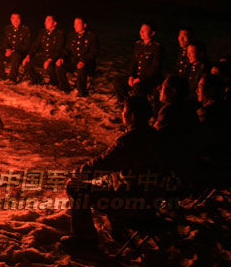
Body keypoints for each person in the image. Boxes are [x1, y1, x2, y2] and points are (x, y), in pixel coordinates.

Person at [63, 96, 163, 249]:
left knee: (74, 187)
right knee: (107, 182)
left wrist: (78, 173)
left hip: (131, 202)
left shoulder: (130, 141)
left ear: (132, 116)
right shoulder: (154, 136)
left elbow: (104, 163)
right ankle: (114, 229)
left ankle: (85, 239)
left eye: (124, 111)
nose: (122, 114)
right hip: (150, 199)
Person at [115, 23, 163, 103]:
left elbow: (155, 68)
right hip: (136, 77)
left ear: (152, 33)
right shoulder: (138, 45)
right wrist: (131, 76)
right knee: (117, 81)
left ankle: (140, 105)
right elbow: (133, 63)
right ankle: (126, 102)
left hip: (148, 79)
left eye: (144, 31)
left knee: (137, 87)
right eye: (141, 30)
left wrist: (140, 78)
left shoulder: (156, 48)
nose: (141, 32)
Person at [24, 15, 68, 91]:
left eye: (48, 20)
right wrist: (28, 55)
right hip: (44, 57)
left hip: (54, 58)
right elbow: (35, 46)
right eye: (45, 21)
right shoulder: (42, 32)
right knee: (28, 63)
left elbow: (59, 49)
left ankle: (54, 83)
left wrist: (50, 59)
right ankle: (36, 80)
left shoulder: (59, 34)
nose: (45, 23)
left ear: (54, 23)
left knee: (50, 67)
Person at [63, 17, 98, 97]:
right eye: (74, 24)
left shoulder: (91, 36)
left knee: (81, 68)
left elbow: (93, 53)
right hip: (74, 61)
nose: (75, 26)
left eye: (78, 24)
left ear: (84, 25)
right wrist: (61, 58)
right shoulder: (72, 35)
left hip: (87, 63)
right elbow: (67, 49)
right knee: (59, 65)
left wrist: (83, 60)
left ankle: (82, 92)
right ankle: (64, 88)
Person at [0, 13, 31, 82]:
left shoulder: (25, 30)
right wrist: (7, 49)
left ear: (20, 20)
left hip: (19, 53)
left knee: (15, 55)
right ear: (11, 20)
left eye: (17, 19)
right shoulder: (8, 28)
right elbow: (5, 41)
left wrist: (14, 50)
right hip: (9, 52)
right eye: (13, 19)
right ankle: (0, 74)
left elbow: (26, 46)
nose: (15, 21)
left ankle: (12, 78)